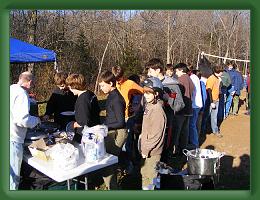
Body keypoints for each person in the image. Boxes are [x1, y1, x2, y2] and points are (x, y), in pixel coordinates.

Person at [145, 58, 184, 159]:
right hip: (151, 123)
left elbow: (179, 105)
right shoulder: (149, 83)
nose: (148, 73)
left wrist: (168, 98)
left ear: (158, 70)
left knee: (164, 152)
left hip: (167, 124)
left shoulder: (172, 84)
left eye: (150, 71)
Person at [10, 71, 41, 190]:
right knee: (12, 178)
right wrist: (36, 120)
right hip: (13, 139)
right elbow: (22, 120)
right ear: (30, 82)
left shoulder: (11, 88)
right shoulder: (22, 93)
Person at [99, 70, 128, 189]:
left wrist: (106, 126)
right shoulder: (111, 96)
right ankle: (111, 185)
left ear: (111, 83)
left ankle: (113, 188)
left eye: (103, 85)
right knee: (109, 162)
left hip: (118, 132)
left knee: (108, 163)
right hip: (112, 130)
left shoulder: (116, 99)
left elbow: (120, 122)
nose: (101, 88)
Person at [112, 66, 144, 173]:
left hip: (127, 118)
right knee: (117, 143)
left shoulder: (130, 83)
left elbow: (143, 92)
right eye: (116, 79)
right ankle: (121, 164)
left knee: (127, 143)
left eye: (119, 78)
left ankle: (130, 166)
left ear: (123, 76)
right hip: (116, 117)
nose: (118, 81)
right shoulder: (114, 83)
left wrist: (135, 107)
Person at [140, 77, 166, 190]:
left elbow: (156, 135)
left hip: (152, 151)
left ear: (156, 93)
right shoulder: (149, 106)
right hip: (147, 148)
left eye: (149, 93)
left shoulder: (157, 110)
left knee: (149, 177)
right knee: (149, 173)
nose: (146, 95)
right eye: (144, 92)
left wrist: (146, 150)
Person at [65, 73, 101, 143]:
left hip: (86, 135)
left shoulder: (83, 100)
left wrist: (73, 125)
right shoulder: (90, 93)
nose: (69, 89)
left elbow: (84, 121)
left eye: (69, 87)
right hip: (95, 128)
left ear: (74, 86)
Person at [173, 63, 194, 154]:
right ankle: (183, 150)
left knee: (177, 131)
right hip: (189, 107)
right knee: (185, 130)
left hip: (182, 108)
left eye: (176, 71)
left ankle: (175, 150)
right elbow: (192, 89)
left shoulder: (181, 79)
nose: (176, 73)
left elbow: (179, 94)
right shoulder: (189, 78)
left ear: (181, 70)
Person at [206, 65, 224, 137]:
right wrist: (211, 102)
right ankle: (204, 130)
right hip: (212, 100)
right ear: (219, 72)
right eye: (222, 71)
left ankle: (214, 130)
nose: (222, 73)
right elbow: (209, 90)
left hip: (216, 99)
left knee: (214, 116)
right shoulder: (211, 78)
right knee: (206, 116)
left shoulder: (217, 78)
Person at [188, 66, 203, 148]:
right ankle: (194, 141)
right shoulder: (195, 77)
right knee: (194, 124)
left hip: (195, 104)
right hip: (196, 104)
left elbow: (192, 91)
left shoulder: (192, 78)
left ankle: (194, 143)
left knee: (192, 125)